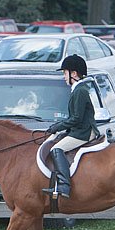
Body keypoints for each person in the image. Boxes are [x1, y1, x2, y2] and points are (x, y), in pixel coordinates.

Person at [43, 55, 103, 199]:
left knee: (56, 149)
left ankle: (64, 186)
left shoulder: (80, 91)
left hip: (84, 132)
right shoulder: (78, 89)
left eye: (65, 73)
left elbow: (76, 118)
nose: (64, 77)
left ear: (74, 74)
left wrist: (57, 127)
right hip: (79, 129)